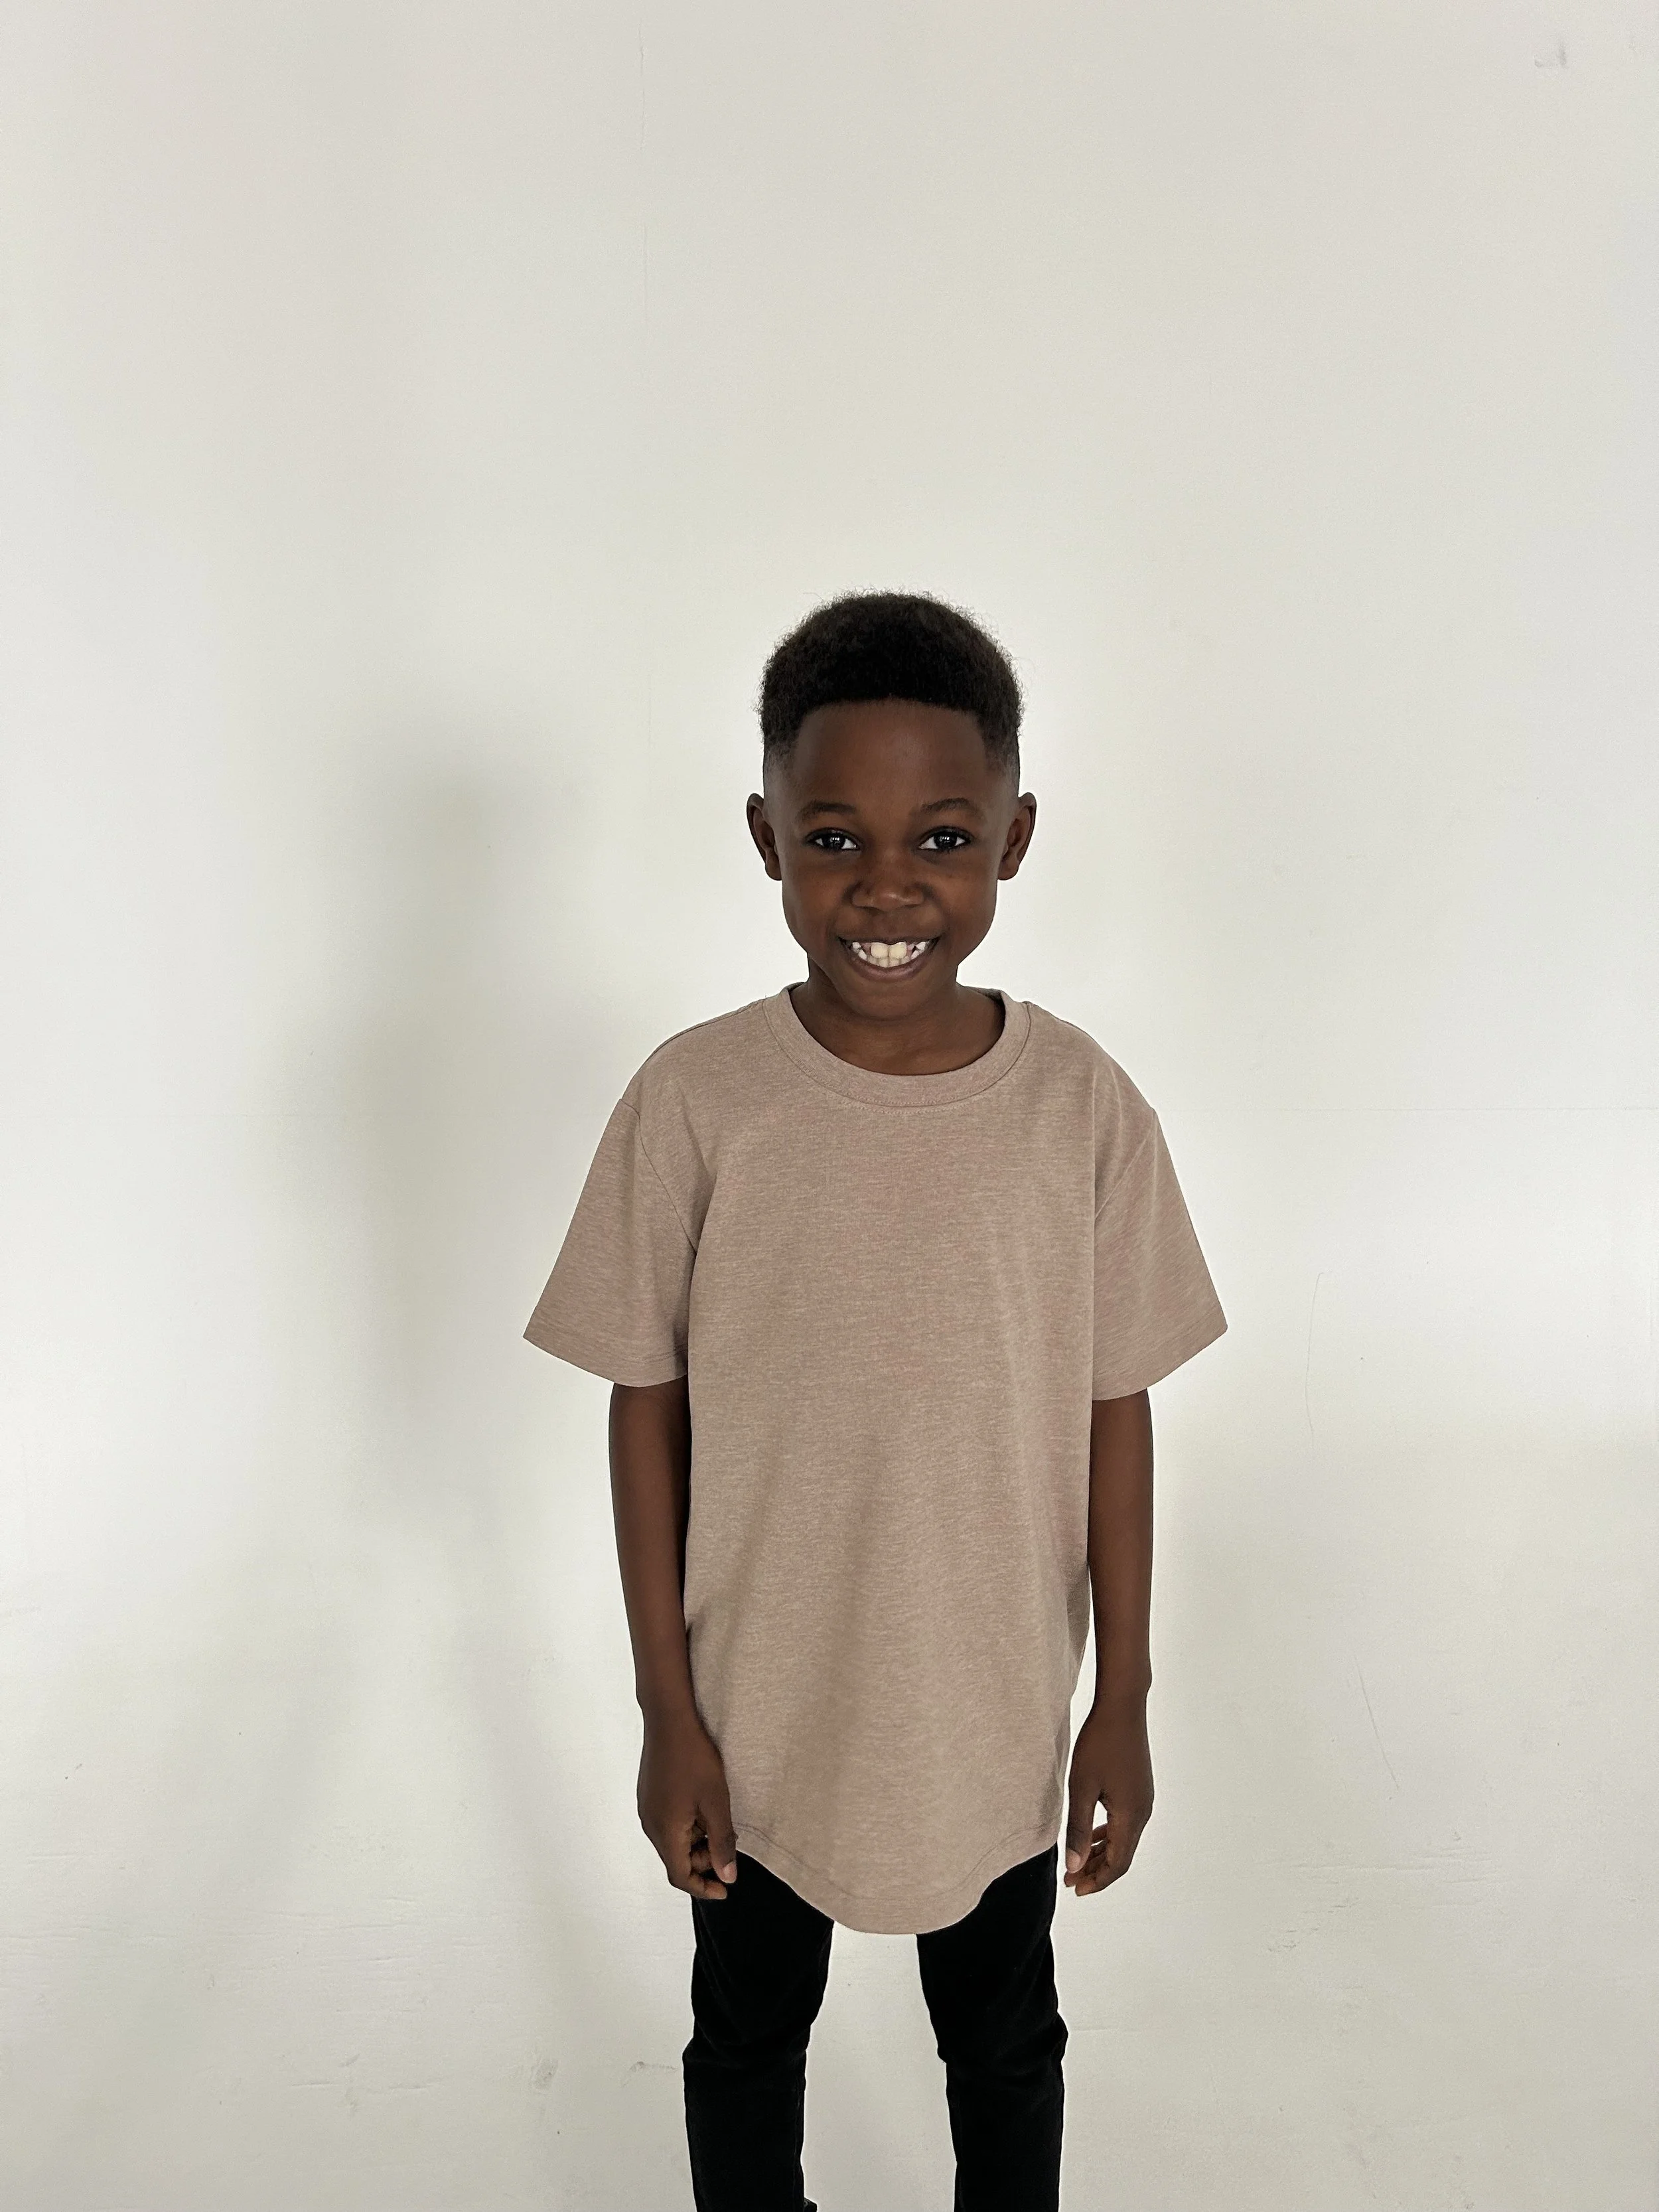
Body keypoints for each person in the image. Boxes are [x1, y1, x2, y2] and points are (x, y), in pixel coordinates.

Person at [524, 591, 1227, 2211]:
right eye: (834, 835)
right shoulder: (696, 1099)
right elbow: (644, 1405)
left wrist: (1119, 1690)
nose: (888, 885)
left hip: (988, 1714)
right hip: (756, 1719)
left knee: (1002, 2046)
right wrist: (665, 1710)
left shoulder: (1080, 1108)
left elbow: (1117, 1406)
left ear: (1015, 838)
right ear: (763, 835)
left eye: (943, 835)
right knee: (744, 2043)